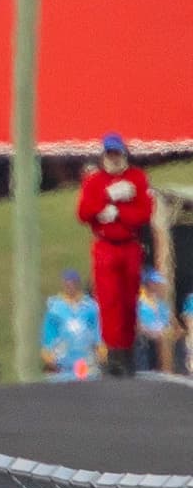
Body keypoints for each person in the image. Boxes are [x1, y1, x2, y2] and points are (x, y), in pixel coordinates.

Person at [78, 133, 153, 376]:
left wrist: (120, 214)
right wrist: (107, 196)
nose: (113, 157)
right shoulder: (95, 181)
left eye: (117, 152)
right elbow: (84, 212)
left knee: (129, 301)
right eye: (109, 153)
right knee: (108, 301)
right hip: (105, 246)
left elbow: (143, 214)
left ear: (124, 153)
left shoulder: (137, 178)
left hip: (130, 245)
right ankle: (114, 354)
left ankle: (127, 352)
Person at [42, 269, 99, 380]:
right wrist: (47, 354)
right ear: (63, 284)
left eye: (73, 283)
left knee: (85, 390)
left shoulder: (90, 306)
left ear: (78, 284)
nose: (70, 286)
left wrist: (100, 349)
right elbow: (48, 334)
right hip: (61, 364)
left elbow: (97, 331)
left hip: (84, 363)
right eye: (67, 283)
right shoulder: (55, 308)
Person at [137, 268, 176, 375]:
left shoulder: (162, 304)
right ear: (149, 284)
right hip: (143, 345)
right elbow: (136, 325)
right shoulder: (139, 303)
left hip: (161, 347)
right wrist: (149, 332)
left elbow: (169, 323)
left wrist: (168, 332)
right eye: (157, 283)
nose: (160, 286)